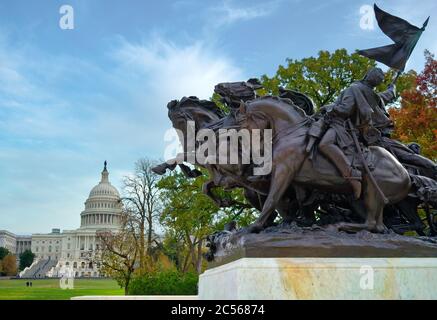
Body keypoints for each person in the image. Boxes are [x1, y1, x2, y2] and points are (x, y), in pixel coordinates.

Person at [317, 67, 396, 199]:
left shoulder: (354, 88)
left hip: (341, 126)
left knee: (325, 144)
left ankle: (352, 175)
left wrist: (329, 108)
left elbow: (345, 109)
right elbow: (387, 96)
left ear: (366, 75)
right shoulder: (372, 95)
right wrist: (392, 88)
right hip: (358, 131)